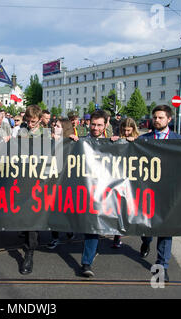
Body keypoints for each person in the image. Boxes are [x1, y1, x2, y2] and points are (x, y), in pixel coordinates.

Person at [138, 105, 181, 282]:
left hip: (169, 193)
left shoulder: (179, 141)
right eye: (155, 117)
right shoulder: (143, 139)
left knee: (166, 230)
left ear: (169, 119)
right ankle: (145, 242)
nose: (156, 120)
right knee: (145, 228)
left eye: (160, 118)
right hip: (147, 193)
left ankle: (162, 267)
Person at [80, 110, 110, 278]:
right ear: (88, 124)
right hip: (81, 190)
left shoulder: (112, 143)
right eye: (93, 124)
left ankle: (86, 262)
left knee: (92, 226)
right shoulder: (80, 142)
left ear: (105, 125)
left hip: (100, 192)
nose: (96, 128)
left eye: (99, 125)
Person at [17, 105, 44, 275]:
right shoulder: (20, 131)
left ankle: (29, 253)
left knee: (33, 216)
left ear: (40, 120)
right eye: (28, 121)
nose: (30, 124)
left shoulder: (46, 134)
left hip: (40, 179)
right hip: (22, 178)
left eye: (33, 121)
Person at [109, 117, 140, 248]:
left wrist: (135, 142)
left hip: (133, 179)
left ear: (133, 129)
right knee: (119, 208)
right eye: (124, 130)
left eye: (129, 130)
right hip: (119, 177)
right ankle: (117, 236)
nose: (126, 133)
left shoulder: (139, 139)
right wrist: (114, 141)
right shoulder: (119, 137)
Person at [46, 118, 76, 249]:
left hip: (65, 181)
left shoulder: (71, 142)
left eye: (57, 126)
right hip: (51, 180)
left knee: (63, 209)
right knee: (52, 210)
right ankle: (55, 237)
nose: (54, 128)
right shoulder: (49, 140)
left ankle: (69, 229)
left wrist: (74, 140)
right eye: (54, 125)